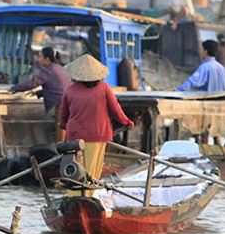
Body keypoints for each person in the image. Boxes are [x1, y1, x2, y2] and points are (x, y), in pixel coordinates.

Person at [58, 54, 134, 197]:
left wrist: (63, 126)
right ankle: (88, 197)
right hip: (97, 135)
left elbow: (64, 115)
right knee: (92, 170)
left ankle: (74, 197)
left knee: (72, 170)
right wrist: (127, 122)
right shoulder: (104, 88)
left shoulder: (70, 90)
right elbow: (116, 110)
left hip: (74, 137)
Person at [10, 47, 71, 141]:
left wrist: (14, 88)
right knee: (65, 129)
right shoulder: (58, 68)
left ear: (47, 59)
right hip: (67, 101)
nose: (39, 60)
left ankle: (61, 151)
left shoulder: (48, 71)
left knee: (60, 130)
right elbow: (56, 87)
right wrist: (38, 93)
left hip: (61, 103)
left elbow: (33, 83)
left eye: (40, 57)